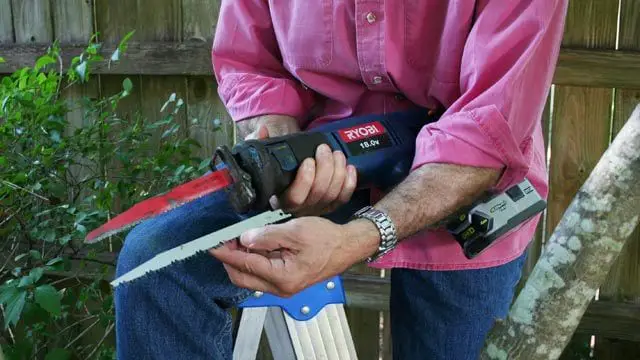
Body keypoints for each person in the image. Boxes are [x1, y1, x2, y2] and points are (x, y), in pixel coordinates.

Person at [114, 0, 569, 359]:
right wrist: (282, 151)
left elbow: (485, 128)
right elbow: (251, 61)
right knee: (159, 261)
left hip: (466, 186)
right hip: (325, 155)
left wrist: (362, 235)